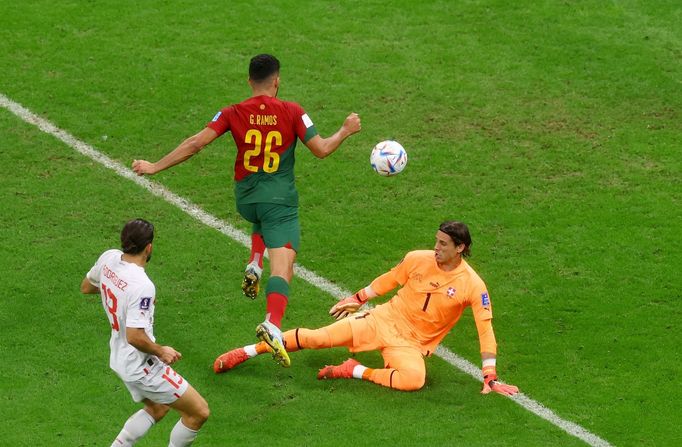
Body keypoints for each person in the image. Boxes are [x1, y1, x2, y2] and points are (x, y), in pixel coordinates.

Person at [132, 54, 361, 368]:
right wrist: (345, 130)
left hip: (246, 200)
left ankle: (255, 260)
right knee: (284, 269)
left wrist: (154, 166)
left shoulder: (233, 112)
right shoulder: (293, 111)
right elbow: (321, 149)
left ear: (249, 80)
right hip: (279, 204)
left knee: (261, 217)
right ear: (277, 80)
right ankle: (272, 323)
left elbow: (196, 143)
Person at [213, 221, 519, 395]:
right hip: (382, 319)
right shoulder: (418, 258)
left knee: (414, 380)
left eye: (443, 244)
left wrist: (489, 375)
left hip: (411, 343)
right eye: (436, 241)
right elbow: (390, 280)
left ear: (460, 248)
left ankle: (354, 370)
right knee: (316, 338)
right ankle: (247, 352)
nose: (436, 248)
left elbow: (485, 328)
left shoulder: (473, 285)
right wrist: (359, 298)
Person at [80, 219, 210, 446]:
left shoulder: (109, 258)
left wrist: (124, 298)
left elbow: (87, 286)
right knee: (198, 412)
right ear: (148, 247)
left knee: (158, 408)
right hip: (142, 366)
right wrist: (161, 351)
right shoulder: (142, 285)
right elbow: (135, 336)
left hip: (120, 357)